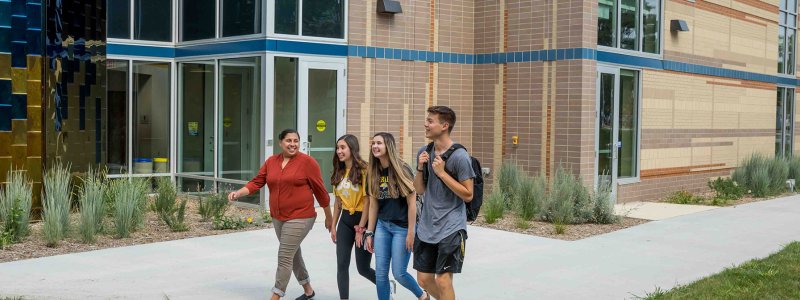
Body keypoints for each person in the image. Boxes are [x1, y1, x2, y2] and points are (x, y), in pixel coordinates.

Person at [228, 129, 333, 300]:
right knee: (293, 253)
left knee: (284, 256)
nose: (293, 144)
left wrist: (329, 217)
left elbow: (321, 192)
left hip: (301, 216)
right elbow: (257, 181)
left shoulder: (308, 163)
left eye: (296, 141)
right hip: (279, 217)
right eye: (288, 140)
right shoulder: (271, 161)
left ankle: (276, 296)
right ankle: (308, 290)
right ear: (280, 143)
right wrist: (239, 193)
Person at [414, 106, 475, 300]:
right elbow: (420, 190)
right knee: (423, 279)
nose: (426, 124)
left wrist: (441, 173)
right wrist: (420, 167)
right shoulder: (425, 151)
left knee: (443, 280)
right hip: (427, 226)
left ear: (444, 125)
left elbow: (468, 194)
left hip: (451, 226)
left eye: (430, 121)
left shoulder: (460, 156)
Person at [364, 133, 430, 300]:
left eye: (379, 143)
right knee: (380, 274)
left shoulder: (402, 168)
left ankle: (422, 296)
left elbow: (412, 203)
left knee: (399, 273)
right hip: (382, 227)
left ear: (389, 146)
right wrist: (369, 232)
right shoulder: (372, 172)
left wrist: (410, 232)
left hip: (402, 228)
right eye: (373, 143)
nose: (375, 146)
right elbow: (373, 205)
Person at [330, 134, 376, 300]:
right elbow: (337, 202)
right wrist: (333, 226)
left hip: (363, 220)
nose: (339, 151)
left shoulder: (365, 170)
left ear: (352, 149)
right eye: (338, 148)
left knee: (362, 268)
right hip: (345, 222)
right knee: (341, 265)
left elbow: (368, 201)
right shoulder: (339, 171)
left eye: (343, 148)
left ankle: (384, 283)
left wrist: (361, 228)